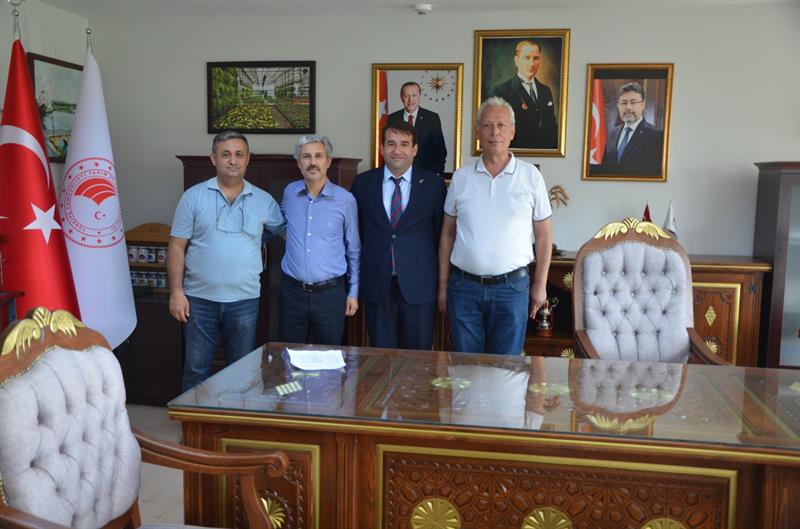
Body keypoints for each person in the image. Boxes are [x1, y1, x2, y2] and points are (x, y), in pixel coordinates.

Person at [168, 130, 285, 391]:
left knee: (241, 372)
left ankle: (234, 418)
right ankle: (193, 419)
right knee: (196, 369)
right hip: (198, 300)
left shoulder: (264, 201)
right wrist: (176, 293)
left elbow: (288, 234)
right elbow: (176, 245)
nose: (233, 160)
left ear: (247, 159)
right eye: (226, 154)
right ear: (214, 159)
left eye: (239, 154)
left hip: (244, 301)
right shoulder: (193, 197)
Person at [438, 97, 553, 355]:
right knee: (466, 369)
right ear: (478, 132)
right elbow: (447, 235)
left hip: (511, 289)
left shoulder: (531, 176)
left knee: (506, 368)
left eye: (501, 125)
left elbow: (544, 236)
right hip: (464, 289)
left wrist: (540, 284)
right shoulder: (461, 177)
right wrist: (443, 285)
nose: (495, 132)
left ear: (512, 132)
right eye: (487, 125)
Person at [351, 121, 447, 350]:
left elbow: (440, 234)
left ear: (415, 149)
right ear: (382, 148)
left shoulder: (433, 185)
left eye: (404, 144)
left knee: (418, 358)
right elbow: (356, 233)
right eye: (391, 143)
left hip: (419, 285)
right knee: (382, 358)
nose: (397, 150)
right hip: (377, 284)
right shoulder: (363, 183)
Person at [279, 135, 360, 345]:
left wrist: (353, 292)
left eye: (318, 156)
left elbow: (353, 250)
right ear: (298, 162)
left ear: (328, 161)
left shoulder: (345, 200)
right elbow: (282, 225)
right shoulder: (289, 193)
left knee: (328, 358)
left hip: (330, 295)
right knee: (290, 356)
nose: (312, 162)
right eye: (306, 156)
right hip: (292, 293)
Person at [490, 39, 558, 150]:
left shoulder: (545, 91)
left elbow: (552, 128)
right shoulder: (501, 92)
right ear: (516, 60)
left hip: (545, 154)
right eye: (527, 58)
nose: (532, 63)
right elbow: (496, 130)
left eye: (536, 58)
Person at [593, 81, 664, 176]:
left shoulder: (656, 136)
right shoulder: (612, 133)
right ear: (618, 106)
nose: (628, 107)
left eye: (633, 102)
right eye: (624, 103)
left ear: (642, 105)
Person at [388, 81, 447, 175]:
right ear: (401, 97)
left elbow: (441, 151)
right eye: (406, 96)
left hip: (426, 174)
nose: (410, 100)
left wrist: (433, 175)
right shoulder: (392, 119)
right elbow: (388, 149)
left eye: (414, 95)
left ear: (419, 96)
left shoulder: (432, 118)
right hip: (398, 174)